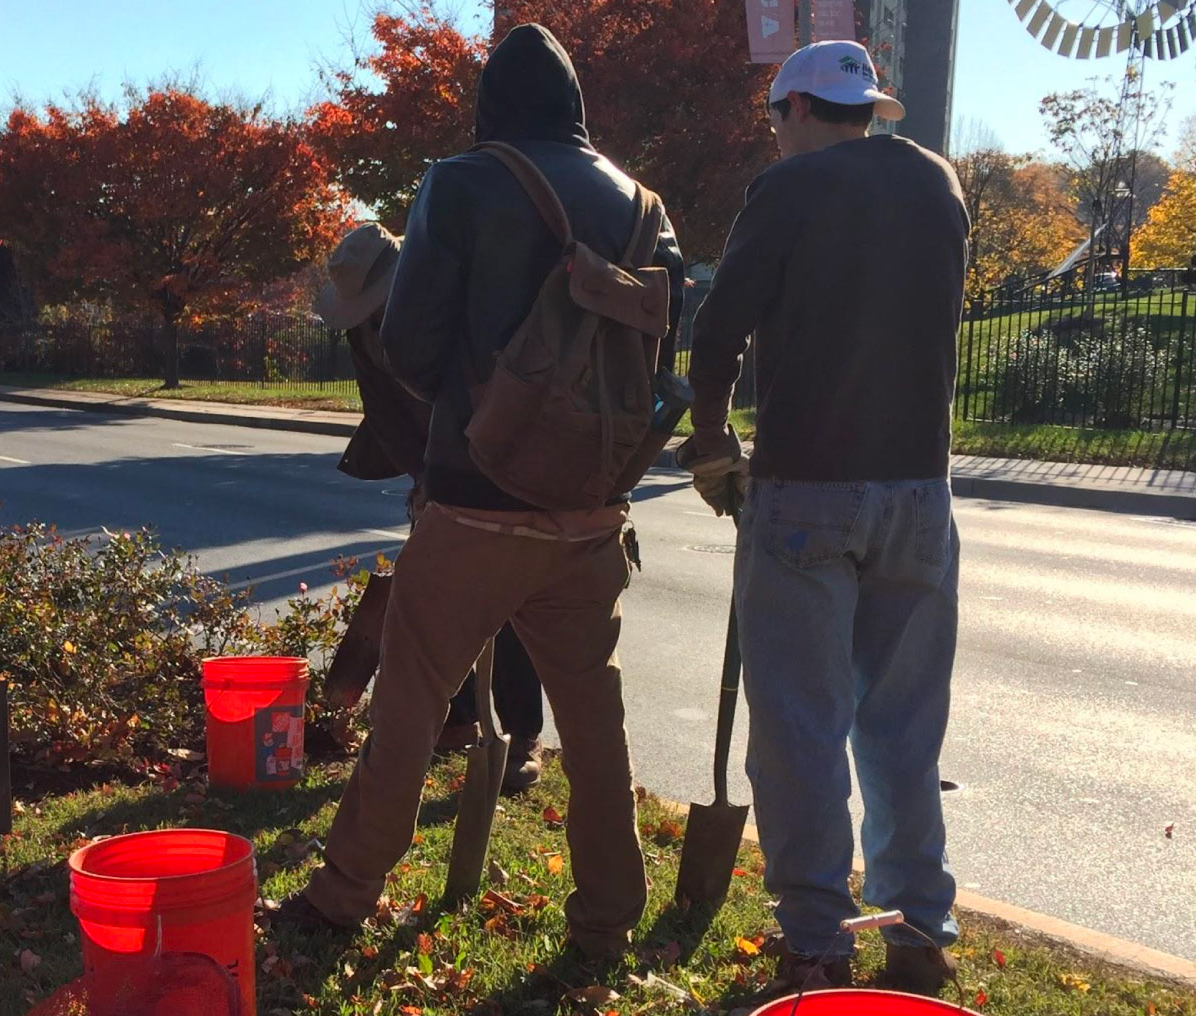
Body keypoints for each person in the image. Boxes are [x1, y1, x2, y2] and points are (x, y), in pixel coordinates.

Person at [284, 24, 684, 962]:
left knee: (410, 710)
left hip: (473, 506)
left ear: (490, 106)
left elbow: (411, 346)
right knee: (595, 726)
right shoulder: (644, 205)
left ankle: (342, 897)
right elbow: (661, 355)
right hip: (591, 515)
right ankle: (607, 919)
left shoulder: (459, 184)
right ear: (577, 104)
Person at [675, 40, 968, 997]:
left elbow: (718, 330)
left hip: (808, 489)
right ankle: (917, 931)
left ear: (799, 107)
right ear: (867, 108)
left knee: (800, 727)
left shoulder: (789, 188)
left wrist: (712, 436)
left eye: (773, 118)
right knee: (902, 727)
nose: (773, 134)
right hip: (921, 492)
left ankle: (819, 941)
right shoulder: (939, 185)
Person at [314, 223, 547, 790]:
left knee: (508, 603)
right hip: (434, 467)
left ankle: (523, 734)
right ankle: (461, 718)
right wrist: (423, 479)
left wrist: (462, 478)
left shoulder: (452, 307)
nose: (371, 317)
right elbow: (387, 412)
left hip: (493, 459)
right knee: (438, 599)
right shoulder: (364, 333)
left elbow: (476, 395)